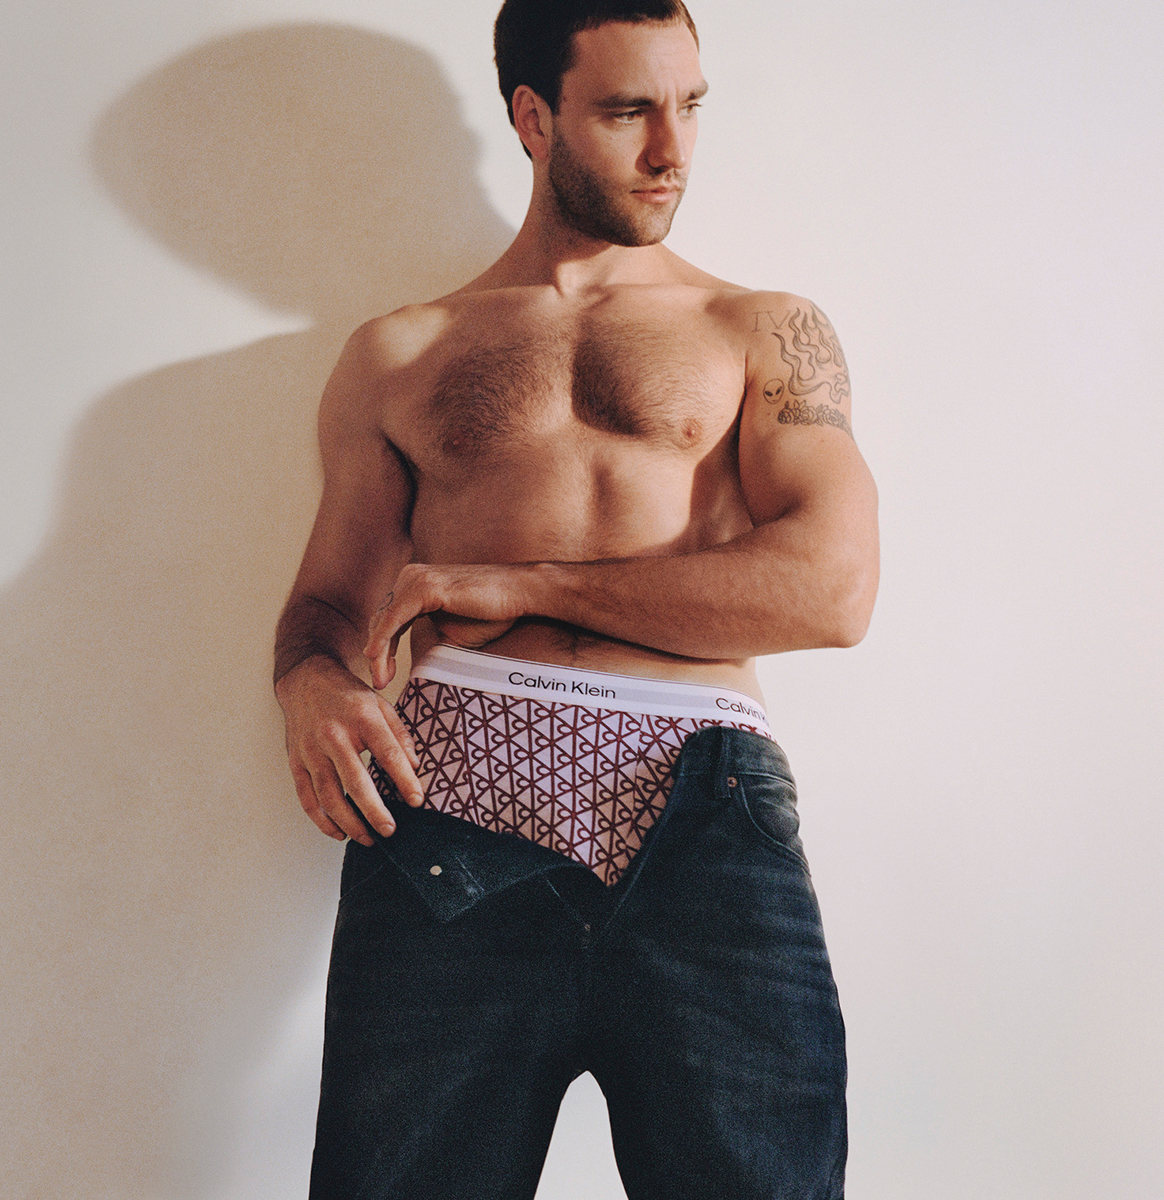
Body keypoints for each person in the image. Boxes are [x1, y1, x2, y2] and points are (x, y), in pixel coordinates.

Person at [274, 0, 878, 1195]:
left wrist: (511, 580)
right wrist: (311, 687)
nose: (672, 149)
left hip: (702, 810)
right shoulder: (400, 354)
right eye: (627, 111)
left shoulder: (761, 331)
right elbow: (330, 606)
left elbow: (833, 588)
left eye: (691, 105)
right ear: (533, 117)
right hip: (447, 819)